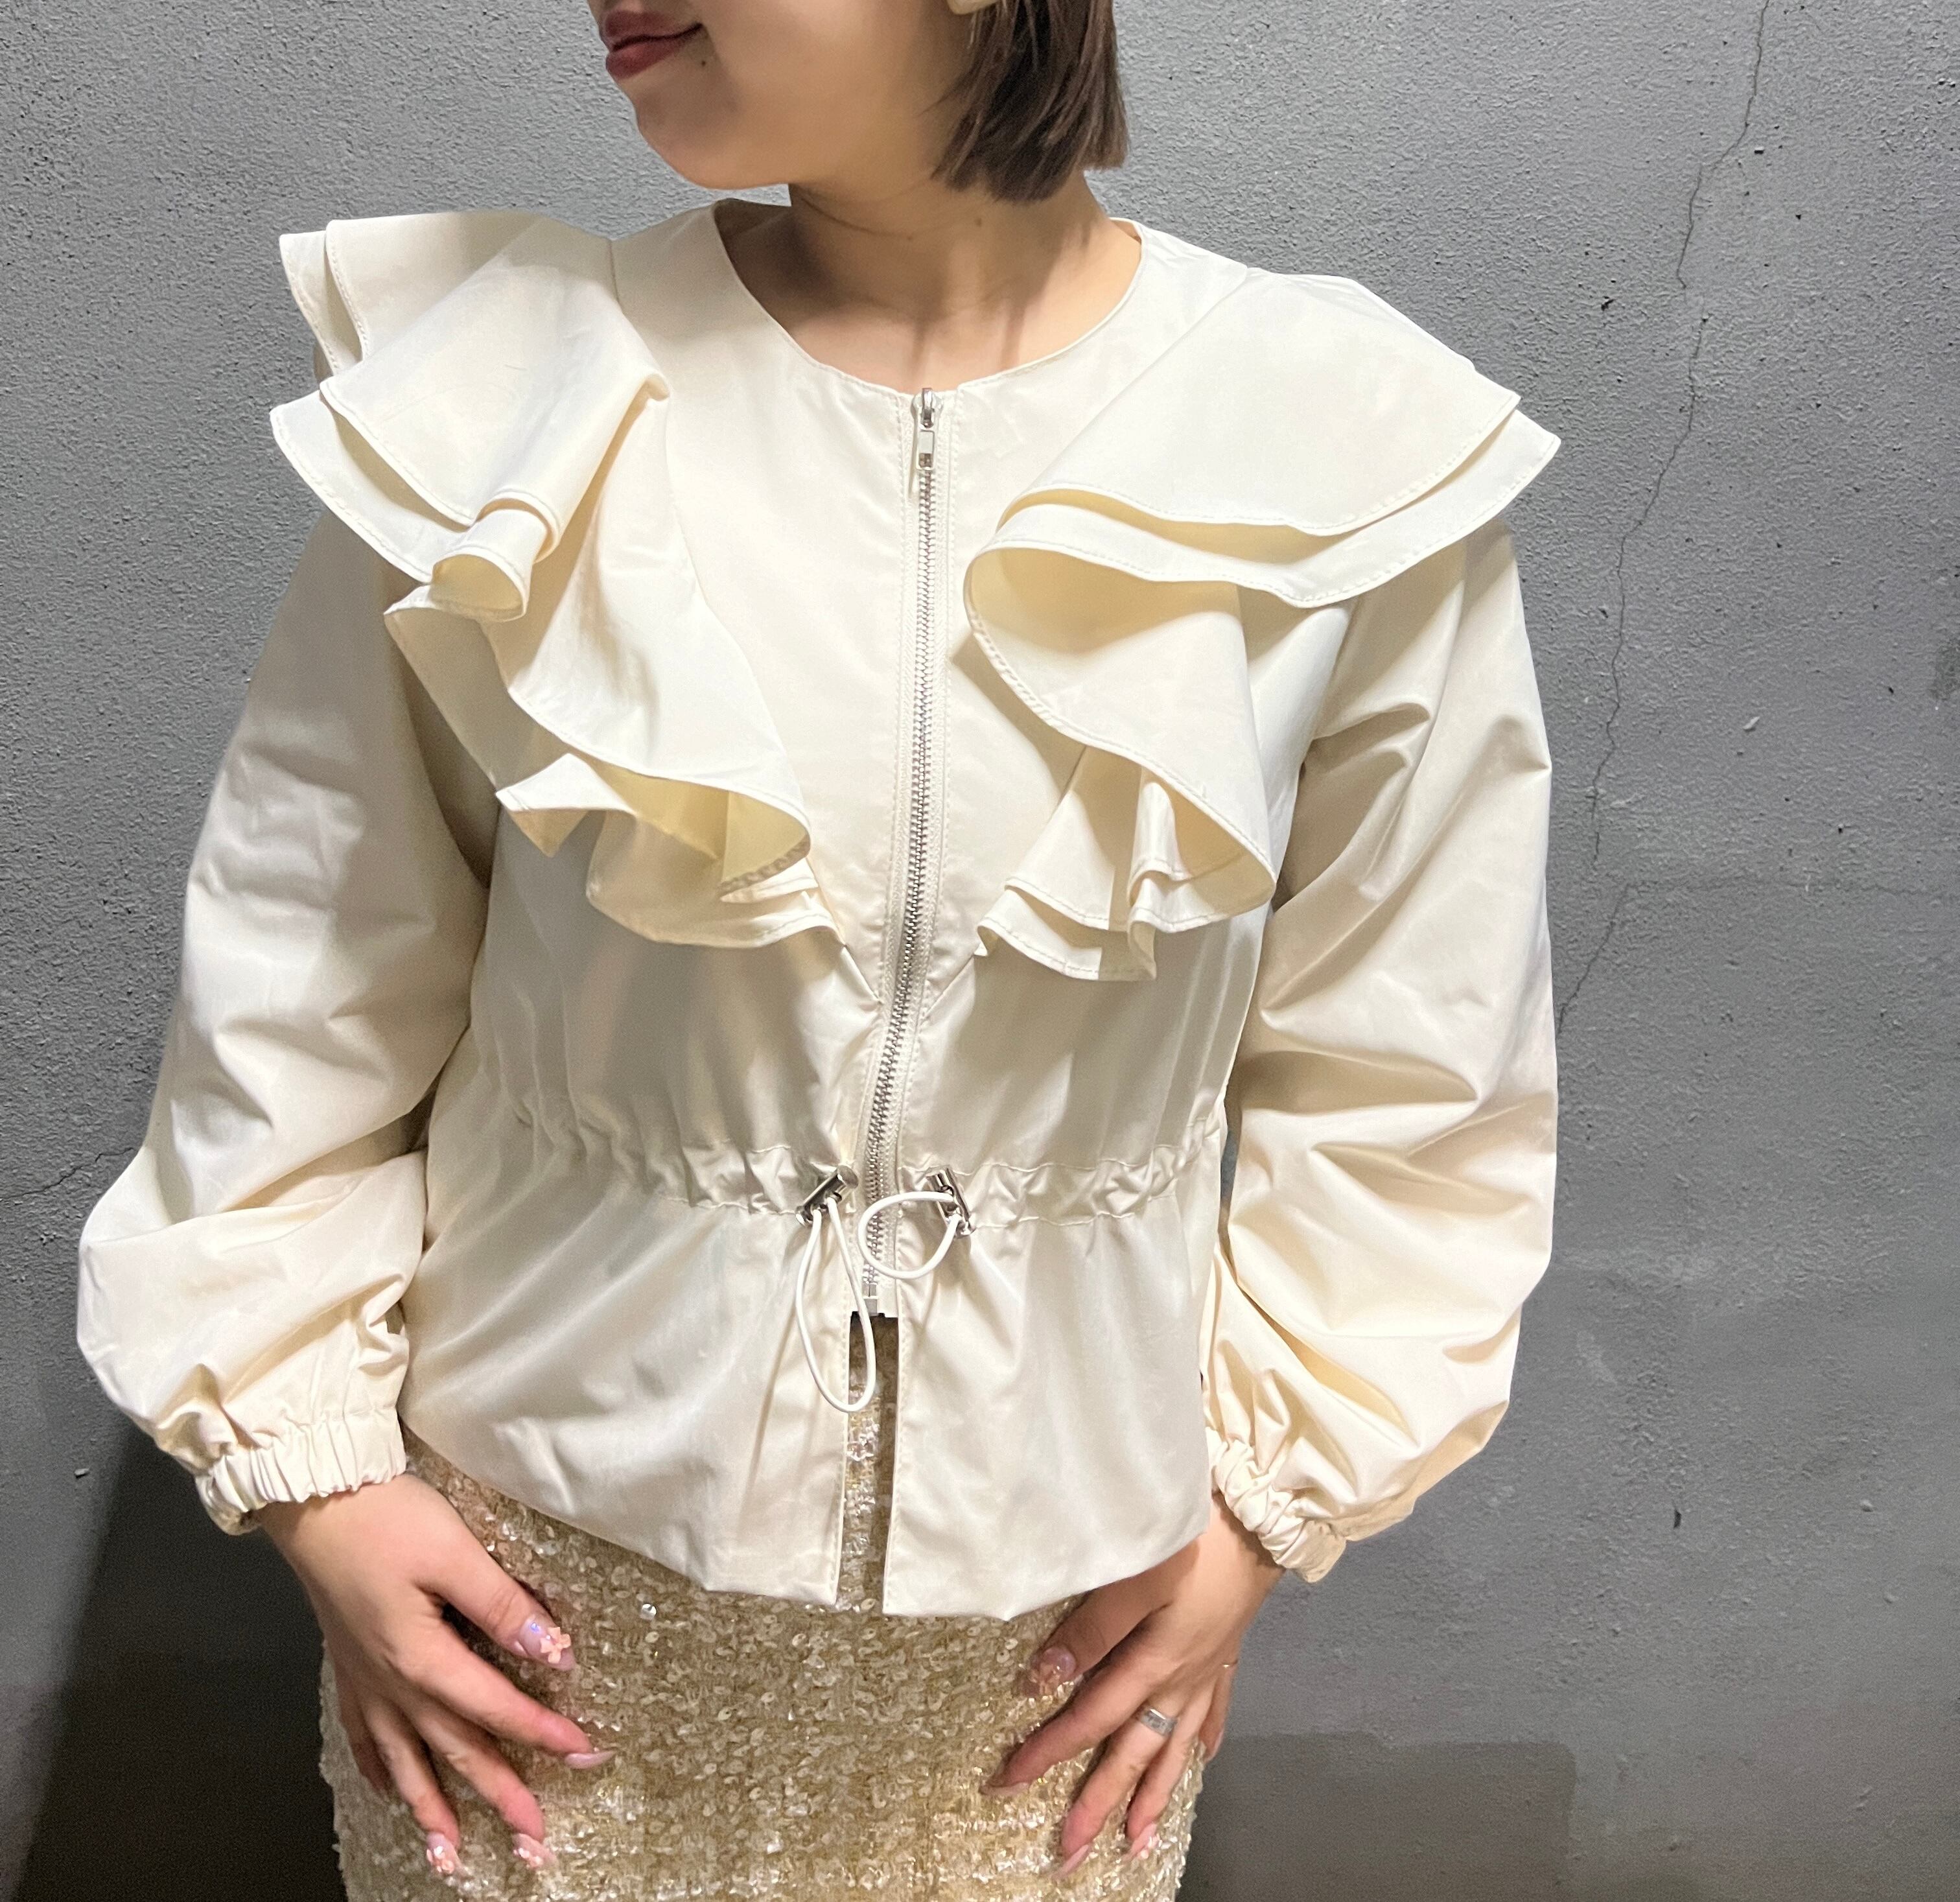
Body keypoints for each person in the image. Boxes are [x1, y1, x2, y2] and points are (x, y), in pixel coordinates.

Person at [75, 0, 1563, 1894]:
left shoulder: (1339, 448)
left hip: (1046, 1665)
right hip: (524, 1630)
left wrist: (1266, 1509)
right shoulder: (512, 404)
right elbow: (300, 984)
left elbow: (1415, 1062)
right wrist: (317, 1481)